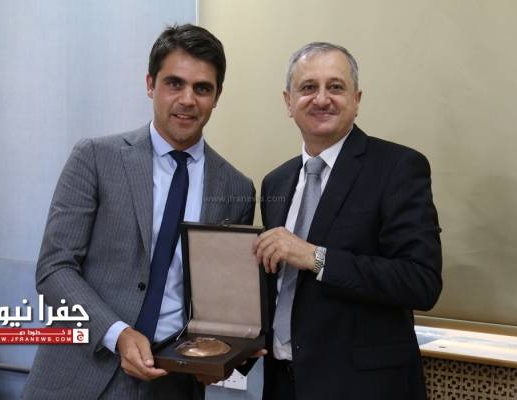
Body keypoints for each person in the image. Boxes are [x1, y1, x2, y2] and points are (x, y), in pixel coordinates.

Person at [23, 24, 256, 400]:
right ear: (150, 84)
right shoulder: (95, 158)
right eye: (174, 83)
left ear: (217, 96)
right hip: (81, 374)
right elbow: (54, 269)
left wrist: (234, 353)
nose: (187, 100)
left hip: (174, 382)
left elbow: (223, 298)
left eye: (202, 88)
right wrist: (117, 334)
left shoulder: (237, 188)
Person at [253, 42, 442, 399]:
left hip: (362, 388)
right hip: (283, 383)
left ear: (356, 99)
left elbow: (421, 282)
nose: (322, 99)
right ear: (288, 102)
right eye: (308, 87)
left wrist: (316, 257)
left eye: (335, 87)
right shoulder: (275, 182)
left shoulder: (398, 168)